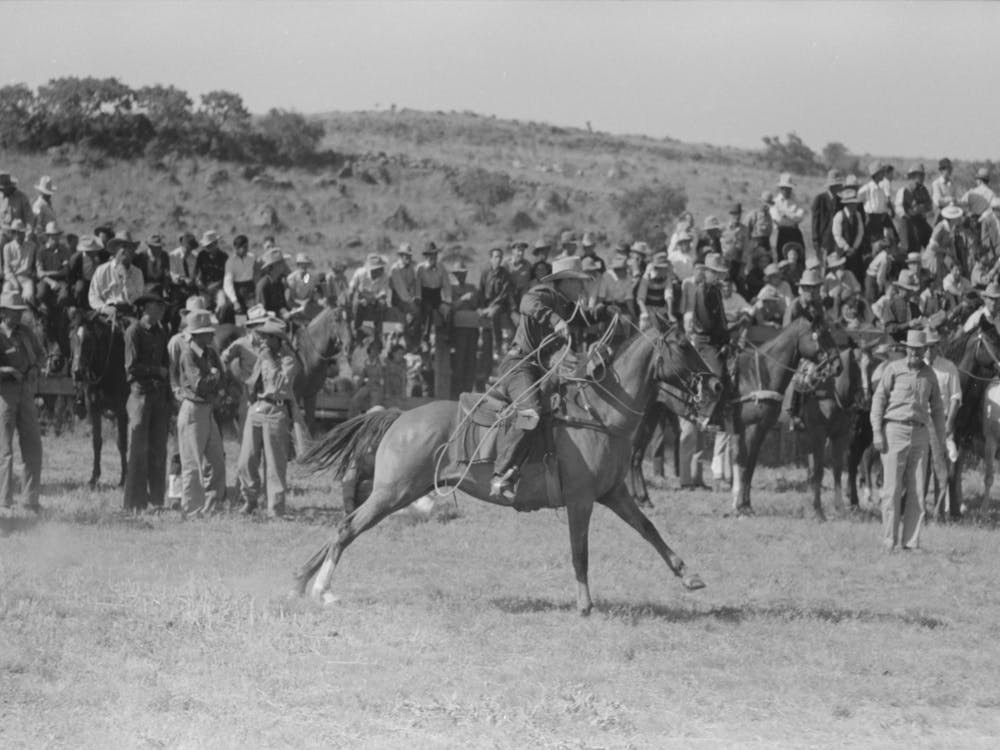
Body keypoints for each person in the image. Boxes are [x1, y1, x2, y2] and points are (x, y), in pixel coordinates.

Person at [490, 256, 589, 499]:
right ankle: (500, 473)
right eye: (578, 282)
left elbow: (589, 321)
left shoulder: (566, 305)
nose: (582, 288)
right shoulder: (543, 293)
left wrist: (607, 310)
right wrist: (554, 320)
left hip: (540, 369)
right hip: (519, 365)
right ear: (564, 282)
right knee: (530, 412)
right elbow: (526, 302)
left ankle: (534, 471)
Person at [870, 329, 946, 551]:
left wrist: (940, 439)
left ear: (925, 350)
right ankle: (889, 541)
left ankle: (911, 542)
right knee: (892, 489)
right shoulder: (893, 369)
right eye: (912, 349)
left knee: (918, 490)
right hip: (894, 430)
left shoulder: (930, 374)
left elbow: (938, 409)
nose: (915, 353)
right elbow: (879, 400)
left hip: (920, 434)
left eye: (919, 349)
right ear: (907, 349)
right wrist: (876, 431)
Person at [237, 318, 299, 517]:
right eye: (261, 336)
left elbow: (278, 385)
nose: (261, 340)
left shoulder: (289, 360)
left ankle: (275, 509)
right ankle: (250, 499)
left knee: (274, 464)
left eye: (266, 337)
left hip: (276, 411)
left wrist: (268, 360)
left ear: (277, 339)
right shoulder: (264, 356)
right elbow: (253, 382)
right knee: (246, 459)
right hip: (257, 409)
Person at [175, 308, 227, 515]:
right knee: (193, 464)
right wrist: (214, 378)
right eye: (207, 332)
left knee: (217, 461)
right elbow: (200, 385)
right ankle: (191, 509)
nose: (212, 335)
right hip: (194, 410)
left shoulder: (210, 353)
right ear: (197, 335)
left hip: (206, 410)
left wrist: (215, 379)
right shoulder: (188, 354)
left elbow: (221, 377)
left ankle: (211, 507)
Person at [122, 292, 171, 512]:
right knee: (138, 449)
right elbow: (131, 369)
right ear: (146, 307)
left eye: (162, 305)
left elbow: (166, 366)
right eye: (158, 305)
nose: (161, 309)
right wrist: (155, 371)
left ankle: (157, 500)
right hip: (140, 394)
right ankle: (134, 502)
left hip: (158, 395)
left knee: (159, 449)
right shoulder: (134, 331)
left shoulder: (162, 331)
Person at [0, 291, 43, 513]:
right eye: (14, 311)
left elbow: (40, 355)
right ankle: (4, 501)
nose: (18, 315)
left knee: (33, 446)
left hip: (26, 392)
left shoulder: (26, 332)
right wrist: (7, 370)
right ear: (3, 312)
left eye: (20, 311)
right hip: (3, 395)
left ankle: (30, 500)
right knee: (5, 450)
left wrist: (35, 368)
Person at [922, 328, 961, 519]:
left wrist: (949, 424)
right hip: (921, 422)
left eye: (932, 347)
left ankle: (940, 513)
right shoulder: (917, 367)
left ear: (938, 347)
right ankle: (918, 511)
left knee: (942, 469)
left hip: (941, 421)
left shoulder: (949, 367)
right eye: (926, 347)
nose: (929, 351)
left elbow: (955, 398)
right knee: (920, 468)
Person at [88, 231, 144, 315]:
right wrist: (104, 308)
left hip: (128, 311)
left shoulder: (137, 273)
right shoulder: (102, 270)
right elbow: (93, 295)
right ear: (115, 250)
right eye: (123, 247)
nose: (126, 251)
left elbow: (137, 298)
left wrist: (126, 278)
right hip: (106, 310)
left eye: (129, 247)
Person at [479, 247, 514, 368]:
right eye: (496, 257)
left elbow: (504, 293)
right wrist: (482, 307)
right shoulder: (485, 271)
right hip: (488, 304)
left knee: (494, 314)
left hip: (500, 304)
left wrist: (492, 307)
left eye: (500, 257)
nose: (498, 259)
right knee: (480, 318)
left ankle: (497, 345)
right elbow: (482, 289)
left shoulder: (505, 273)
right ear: (491, 259)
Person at [449, 262, 481, 394]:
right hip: (458, 327)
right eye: (458, 274)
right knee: (459, 359)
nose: (461, 276)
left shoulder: (472, 287)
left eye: (463, 274)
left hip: (472, 326)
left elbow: (476, 304)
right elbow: (452, 306)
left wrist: (468, 300)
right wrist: (463, 299)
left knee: (471, 359)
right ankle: (457, 392)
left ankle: (468, 390)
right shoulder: (451, 288)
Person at [415, 242, 452, 341]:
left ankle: (447, 335)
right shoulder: (420, 268)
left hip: (436, 295)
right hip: (425, 295)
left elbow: (446, 284)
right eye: (430, 255)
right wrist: (418, 297)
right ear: (426, 256)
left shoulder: (441, 267)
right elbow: (417, 284)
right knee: (428, 309)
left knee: (447, 311)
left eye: (435, 254)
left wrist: (448, 299)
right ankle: (425, 336)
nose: (433, 257)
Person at [349, 252, 390, 336]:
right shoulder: (360, 273)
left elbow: (383, 294)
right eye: (379, 268)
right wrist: (353, 302)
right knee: (357, 306)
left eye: (381, 267)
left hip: (375, 299)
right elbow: (351, 289)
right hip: (361, 299)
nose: (381, 270)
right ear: (372, 270)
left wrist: (372, 300)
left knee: (383, 305)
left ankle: (379, 332)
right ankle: (356, 330)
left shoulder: (384, 276)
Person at [895, 165, 933, 252]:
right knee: (911, 249)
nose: (923, 177)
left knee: (932, 241)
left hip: (921, 221)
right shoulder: (905, 190)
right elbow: (902, 211)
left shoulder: (924, 190)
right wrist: (920, 208)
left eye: (923, 175)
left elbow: (929, 206)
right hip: (908, 223)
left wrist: (919, 208)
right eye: (921, 175)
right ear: (913, 176)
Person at [770, 174, 806, 263]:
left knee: (799, 259)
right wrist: (792, 216)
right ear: (781, 188)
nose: (788, 190)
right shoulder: (775, 202)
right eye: (785, 188)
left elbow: (800, 217)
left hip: (795, 232)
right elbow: (778, 219)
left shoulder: (796, 201)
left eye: (789, 188)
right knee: (782, 258)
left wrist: (785, 214)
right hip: (782, 233)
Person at [831, 187, 865, 280]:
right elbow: (837, 235)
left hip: (854, 250)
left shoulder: (858, 215)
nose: (855, 205)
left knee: (855, 272)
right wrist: (846, 248)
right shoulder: (839, 215)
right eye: (853, 204)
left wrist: (854, 247)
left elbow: (860, 232)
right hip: (842, 250)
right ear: (848, 204)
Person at [220, 234, 257, 318]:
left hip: (250, 289)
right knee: (240, 316)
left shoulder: (252, 257)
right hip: (238, 290)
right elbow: (227, 283)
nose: (246, 249)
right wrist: (235, 301)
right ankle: (242, 330)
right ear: (236, 248)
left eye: (247, 246)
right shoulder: (230, 262)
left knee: (254, 314)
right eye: (243, 247)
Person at [859, 161, 893, 249]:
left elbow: (884, 207)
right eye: (882, 173)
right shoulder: (866, 189)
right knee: (869, 245)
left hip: (880, 221)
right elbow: (858, 203)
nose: (883, 175)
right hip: (869, 221)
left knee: (879, 244)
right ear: (877, 174)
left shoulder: (881, 189)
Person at [2, 219, 37, 302]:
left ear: (24, 233)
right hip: (11, 278)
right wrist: (15, 282)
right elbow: (7, 270)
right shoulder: (8, 247)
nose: (17, 234)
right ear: (12, 234)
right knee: (6, 294)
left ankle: (32, 312)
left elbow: (35, 264)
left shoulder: (32, 246)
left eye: (20, 232)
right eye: (15, 232)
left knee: (29, 296)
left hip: (26, 279)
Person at [811, 170, 844, 260]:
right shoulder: (819, 199)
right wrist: (816, 241)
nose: (840, 186)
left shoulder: (840, 201)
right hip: (823, 241)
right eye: (838, 184)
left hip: (836, 241)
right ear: (833, 186)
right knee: (823, 267)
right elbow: (815, 222)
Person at [67, 235, 106, 309]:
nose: (91, 253)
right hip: (83, 279)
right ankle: (79, 307)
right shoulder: (76, 258)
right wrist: (73, 284)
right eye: (88, 251)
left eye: (92, 251)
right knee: (79, 289)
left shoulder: (102, 255)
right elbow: (71, 273)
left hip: (99, 280)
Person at [636, 252, 672, 329]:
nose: (665, 270)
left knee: (669, 327)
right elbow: (640, 299)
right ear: (656, 268)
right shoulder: (646, 277)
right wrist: (645, 312)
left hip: (661, 308)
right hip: (648, 308)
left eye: (666, 268)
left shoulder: (667, 276)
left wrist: (670, 313)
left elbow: (668, 295)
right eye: (663, 268)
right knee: (646, 324)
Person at [194, 230, 228, 308]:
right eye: (206, 246)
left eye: (209, 245)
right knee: (202, 305)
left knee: (222, 304)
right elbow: (197, 271)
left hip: (218, 288)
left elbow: (226, 276)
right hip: (204, 288)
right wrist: (198, 281)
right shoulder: (201, 255)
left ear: (215, 244)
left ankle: (219, 319)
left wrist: (215, 285)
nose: (207, 248)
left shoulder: (224, 257)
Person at [720, 203, 749, 295]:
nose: (737, 216)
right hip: (725, 262)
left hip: (737, 262)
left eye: (738, 213)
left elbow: (746, 250)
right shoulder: (723, 228)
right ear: (730, 214)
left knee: (740, 288)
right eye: (734, 214)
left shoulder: (744, 230)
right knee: (724, 286)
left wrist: (742, 268)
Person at [0, 173, 33, 246]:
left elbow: (29, 218)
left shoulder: (22, 197)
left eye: (2, 189)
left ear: (9, 187)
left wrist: (28, 234)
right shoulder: (0, 198)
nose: (1, 191)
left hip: (19, 233)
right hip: (4, 233)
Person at [256, 247, 291, 317]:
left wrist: (287, 311)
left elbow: (281, 304)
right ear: (274, 266)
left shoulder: (279, 282)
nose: (284, 264)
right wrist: (280, 314)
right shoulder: (263, 284)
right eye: (281, 262)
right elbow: (261, 311)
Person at [285, 252, 320, 319]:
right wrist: (301, 303)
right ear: (298, 265)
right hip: (293, 305)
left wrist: (306, 301)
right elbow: (292, 296)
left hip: (306, 305)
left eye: (306, 264)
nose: (304, 267)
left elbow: (310, 293)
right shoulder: (292, 278)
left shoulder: (309, 277)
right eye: (302, 264)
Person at [747, 191, 775, 260]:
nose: (767, 206)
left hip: (766, 244)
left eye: (768, 203)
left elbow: (770, 232)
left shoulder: (769, 216)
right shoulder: (753, 214)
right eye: (765, 203)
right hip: (755, 244)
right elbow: (747, 231)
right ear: (761, 202)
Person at [505, 241, 533, 305]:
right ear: (513, 251)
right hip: (509, 299)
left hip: (524, 299)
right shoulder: (505, 264)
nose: (520, 253)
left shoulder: (528, 265)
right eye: (518, 250)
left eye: (523, 251)